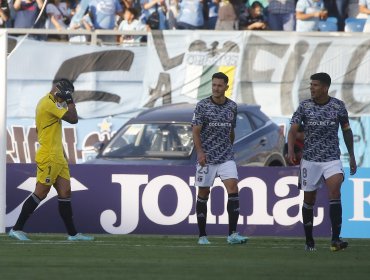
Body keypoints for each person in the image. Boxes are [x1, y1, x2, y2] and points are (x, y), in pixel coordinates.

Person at [9, 79, 94, 242]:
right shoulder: (47, 103)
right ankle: (16, 229)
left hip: (58, 157)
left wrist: (61, 151)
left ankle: (73, 234)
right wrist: (70, 101)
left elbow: (45, 129)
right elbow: (73, 119)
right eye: (65, 95)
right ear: (58, 91)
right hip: (48, 156)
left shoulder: (53, 104)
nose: (64, 99)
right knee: (41, 192)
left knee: (65, 192)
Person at [287, 72, 357, 252]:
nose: (311, 88)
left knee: (335, 192)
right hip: (310, 160)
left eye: (315, 85)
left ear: (325, 87)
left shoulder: (338, 106)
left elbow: (347, 131)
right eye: (311, 85)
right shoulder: (304, 106)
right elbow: (293, 129)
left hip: (332, 159)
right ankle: (309, 241)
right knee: (309, 199)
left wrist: (352, 156)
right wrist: (290, 150)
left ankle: (335, 239)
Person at [192, 72, 248, 245]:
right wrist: (200, 152)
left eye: (219, 85)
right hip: (206, 158)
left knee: (233, 188)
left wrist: (229, 148)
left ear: (226, 87)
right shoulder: (202, 106)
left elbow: (231, 130)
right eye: (214, 85)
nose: (216, 88)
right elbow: (195, 131)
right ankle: (202, 236)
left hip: (226, 156)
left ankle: (232, 234)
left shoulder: (232, 106)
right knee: (203, 193)